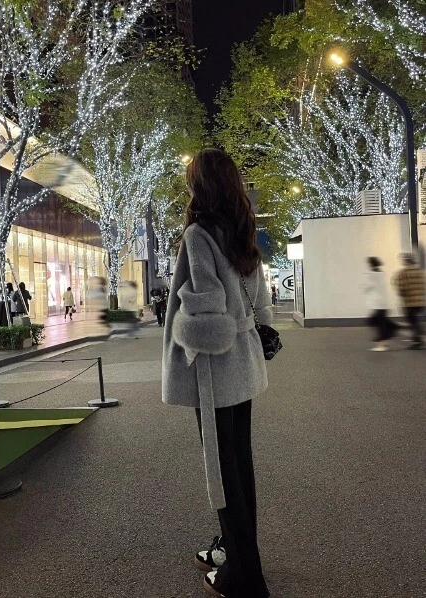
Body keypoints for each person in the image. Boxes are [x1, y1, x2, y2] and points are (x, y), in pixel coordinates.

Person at [162, 148, 272, 598]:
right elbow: (259, 295)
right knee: (239, 466)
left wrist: (186, 338)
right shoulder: (241, 229)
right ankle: (230, 548)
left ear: (200, 185)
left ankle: (244, 579)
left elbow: (205, 307)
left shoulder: (198, 234)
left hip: (215, 367)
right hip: (244, 362)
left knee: (224, 472)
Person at [393, 253, 426, 350]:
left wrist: (401, 296)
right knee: (415, 321)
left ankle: (418, 341)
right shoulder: (420, 272)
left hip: (409, 302)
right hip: (420, 301)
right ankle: (418, 338)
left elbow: (401, 288)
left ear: (406, 261)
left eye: (403, 260)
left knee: (412, 321)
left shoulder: (402, 273)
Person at [364, 257, 397, 351]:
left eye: (368, 263)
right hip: (381, 303)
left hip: (379, 303)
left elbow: (370, 286)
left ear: (371, 264)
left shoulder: (374, 274)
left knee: (376, 322)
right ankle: (393, 329)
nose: (367, 265)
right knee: (379, 322)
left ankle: (382, 345)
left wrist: (366, 287)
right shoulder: (380, 273)